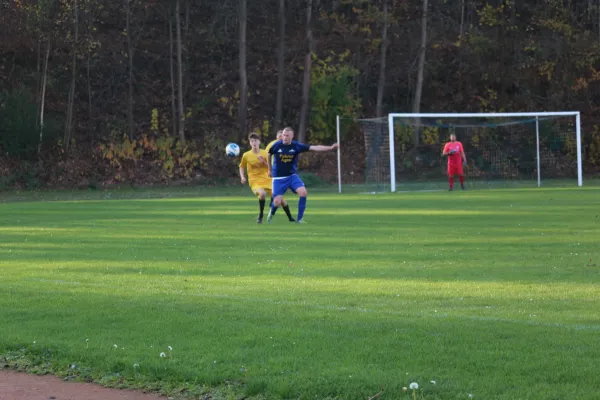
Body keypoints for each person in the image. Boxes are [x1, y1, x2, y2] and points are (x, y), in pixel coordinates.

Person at [267, 127, 338, 223]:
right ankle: (271, 214)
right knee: (277, 202)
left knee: (303, 192)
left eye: (287, 135)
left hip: (292, 176)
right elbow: (269, 154)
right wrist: (269, 169)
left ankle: (299, 219)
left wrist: (330, 148)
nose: (284, 137)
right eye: (283, 135)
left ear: (292, 136)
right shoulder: (277, 145)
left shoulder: (296, 145)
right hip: (278, 178)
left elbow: (314, 147)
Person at [239, 133, 294, 223]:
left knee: (281, 200)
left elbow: (271, 168)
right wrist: (242, 177)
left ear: (259, 142)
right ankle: (261, 215)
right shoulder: (246, 155)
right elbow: (241, 166)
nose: (254, 143)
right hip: (255, 181)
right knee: (262, 194)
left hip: (268, 180)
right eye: (252, 141)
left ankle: (291, 218)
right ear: (250, 143)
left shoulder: (265, 153)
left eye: (255, 141)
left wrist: (264, 162)